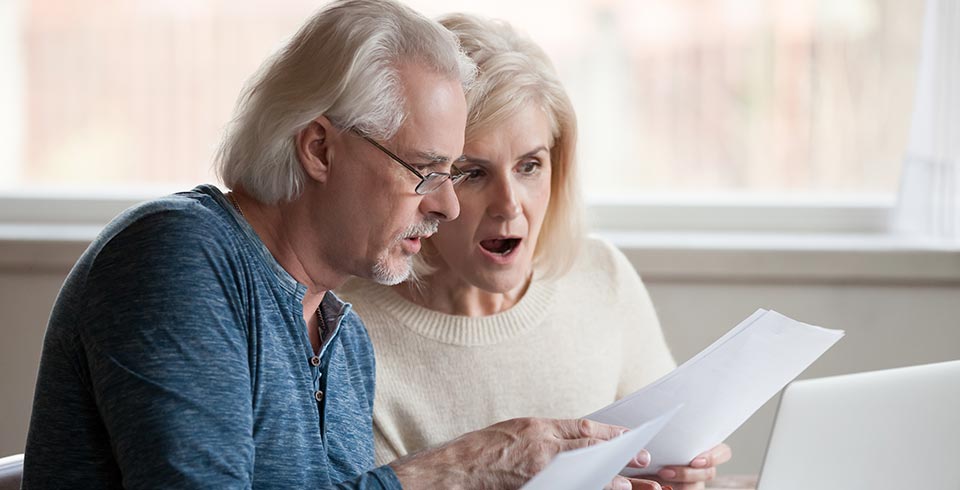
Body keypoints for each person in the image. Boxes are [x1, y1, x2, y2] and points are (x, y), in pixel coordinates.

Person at [21, 2, 658, 489]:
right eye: (428, 171)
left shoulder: (343, 340)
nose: (447, 204)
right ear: (320, 147)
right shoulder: (180, 257)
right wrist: (458, 468)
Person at [337, 13, 732, 490]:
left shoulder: (601, 276)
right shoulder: (347, 330)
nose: (509, 205)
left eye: (530, 166)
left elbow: (665, 454)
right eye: (472, 173)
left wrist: (687, 472)